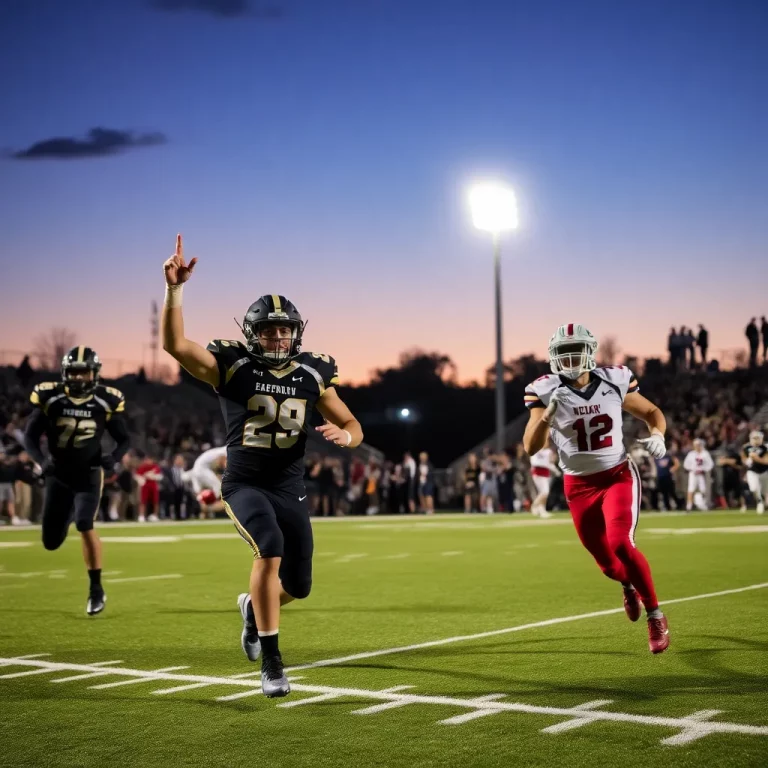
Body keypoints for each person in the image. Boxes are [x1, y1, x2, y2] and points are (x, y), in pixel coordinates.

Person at [161, 235, 363, 698]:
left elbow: (350, 420)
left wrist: (348, 436)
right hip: (245, 483)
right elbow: (175, 345)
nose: (278, 337)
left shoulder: (312, 372)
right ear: (253, 334)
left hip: (289, 487)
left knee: (300, 584)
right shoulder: (231, 366)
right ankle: (272, 661)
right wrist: (175, 290)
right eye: (270, 331)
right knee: (267, 547)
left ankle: (254, 608)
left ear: (297, 332)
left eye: (284, 330)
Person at [523, 323, 670, 654]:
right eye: (563, 352)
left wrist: (659, 433)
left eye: (576, 349)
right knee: (607, 564)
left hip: (617, 475)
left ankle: (655, 615)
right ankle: (627, 585)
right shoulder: (543, 389)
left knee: (621, 544)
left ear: (590, 351)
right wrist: (547, 415)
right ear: (552, 357)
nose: (570, 357)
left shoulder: (614, 379)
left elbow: (651, 412)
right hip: (578, 485)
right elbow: (531, 447)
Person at [23, 346, 129, 615]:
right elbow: (30, 436)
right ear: (65, 373)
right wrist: (41, 460)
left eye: (84, 373)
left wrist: (113, 457)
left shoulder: (106, 400)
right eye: (74, 373)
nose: (79, 378)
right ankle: (70, 510)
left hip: (88, 474)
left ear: (94, 374)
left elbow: (124, 438)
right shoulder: (51, 397)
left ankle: (96, 590)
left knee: (85, 523)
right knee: (50, 542)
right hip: (58, 475)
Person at [683, 438, 714, 511]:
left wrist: (703, 469)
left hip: (702, 474)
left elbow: (710, 464)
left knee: (703, 490)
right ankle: (689, 506)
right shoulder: (691, 454)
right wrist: (692, 469)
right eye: (696, 445)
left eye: (698, 445)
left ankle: (702, 504)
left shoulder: (705, 453)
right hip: (693, 474)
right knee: (691, 489)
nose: (697, 446)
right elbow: (686, 464)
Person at [741, 430, 768, 514]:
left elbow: (766, 461)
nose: (756, 440)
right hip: (752, 471)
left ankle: (762, 501)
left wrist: (756, 458)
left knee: (764, 491)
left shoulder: (765, 447)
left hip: (764, 471)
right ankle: (759, 502)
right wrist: (748, 461)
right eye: (754, 438)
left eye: (757, 438)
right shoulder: (746, 447)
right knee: (753, 488)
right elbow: (744, 460)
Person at [529, 445, 556, 518]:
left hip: (546, 473)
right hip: (537, 473)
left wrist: (556, 471)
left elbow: (550, 462)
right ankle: (534, 505)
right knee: (545, 492)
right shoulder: (535, 451)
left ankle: (542, 510)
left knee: (543, 493)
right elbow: (534, 462)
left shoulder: (548, 451)